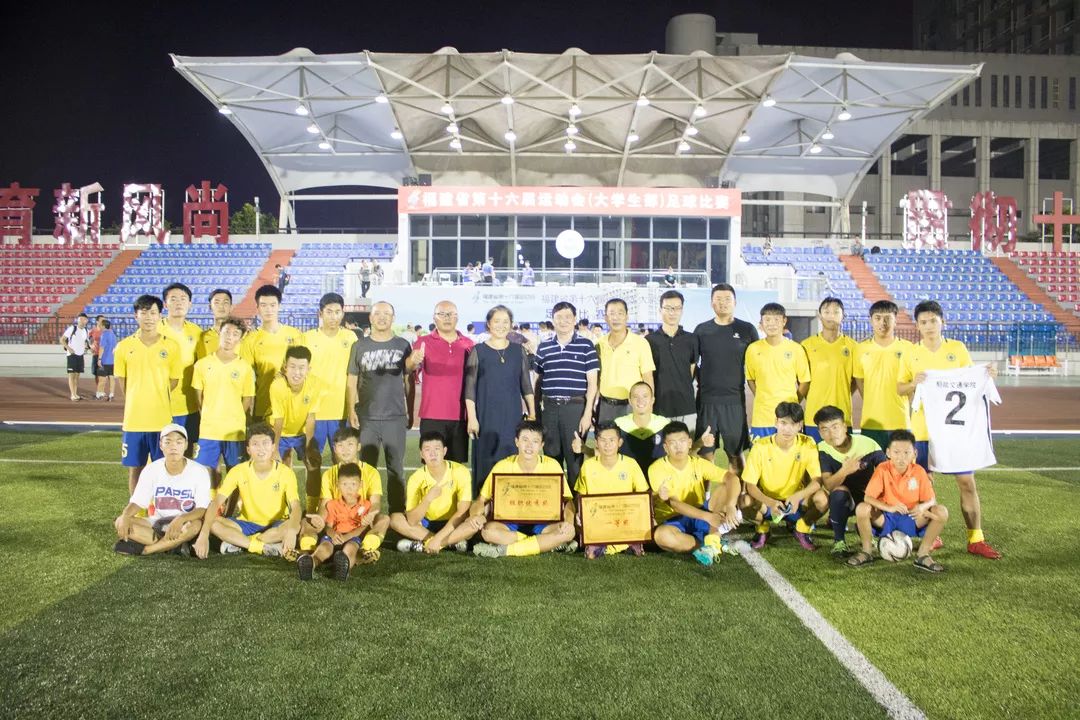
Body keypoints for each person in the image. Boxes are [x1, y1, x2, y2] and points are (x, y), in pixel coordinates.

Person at [897, 300, 1000, 560]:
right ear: (917, 326)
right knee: (922, 486)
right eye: (923, 322)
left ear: (942, 321)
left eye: (933, 320)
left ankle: (976, 538)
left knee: (966, 483)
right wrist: (913, 383)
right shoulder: (911, 353)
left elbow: (971, 379)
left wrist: (987, 374)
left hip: (955, 432)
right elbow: (899, 388)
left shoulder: (957, 348)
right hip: (922, 431)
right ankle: (930, 535)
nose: (929, 326)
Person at [347, 300, 420, 513]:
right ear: (371, 318)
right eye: (377, 314)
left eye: (386, 314)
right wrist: (351, 409)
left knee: (396, 469)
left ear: (393, 318)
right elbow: (352, 380)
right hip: (367, 417)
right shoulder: (359, 346)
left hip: (394, 417)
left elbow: (408, 380)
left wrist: (409, 410)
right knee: (366, 469)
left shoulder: (402, 345)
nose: (381, 318)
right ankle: (364, 513)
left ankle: (397, 513)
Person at [193, 423, 303, 559]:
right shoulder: (238, 471)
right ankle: (262, 546)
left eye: (265, 443)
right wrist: (204, 535)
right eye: (255, 444)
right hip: (247, 524)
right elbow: (216, 503)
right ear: (248, 449)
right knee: (214, 523)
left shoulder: (286, 473)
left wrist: (291, 531)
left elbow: (295, 506)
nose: (261, 448)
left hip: (276, 524)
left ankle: (240, 542)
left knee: (295, 526)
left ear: (273, 447)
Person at [468, 421, 577, 558]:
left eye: (535, 441)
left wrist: (569, 522)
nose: (529, 445)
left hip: (544, 523)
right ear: (516, 442)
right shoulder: (503, 466)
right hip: (510, 524)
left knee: (569, 533)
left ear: (542, 445)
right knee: (487, 532)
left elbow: (568, 501)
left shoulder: (552, 466)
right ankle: (546, 543)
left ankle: (506, 550)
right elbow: (481, 500)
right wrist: (475, 515)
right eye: (525, 440)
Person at [847, 430, 949, 573]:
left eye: (906, 453)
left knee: (941, 512)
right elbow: (868, 498)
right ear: (888, 453)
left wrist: (921, 507)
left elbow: (931, 500)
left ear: (915, 453)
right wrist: (889, 508)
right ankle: (866, 552)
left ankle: (923, 555)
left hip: (912, 518)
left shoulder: (919, 471)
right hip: (886, 518)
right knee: (862, 508)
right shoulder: (882, 469)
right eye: (896, 452)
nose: (901, 457)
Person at [114, 295, 182, 494]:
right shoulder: (124, 346)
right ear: (136, 316)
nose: (149, 317)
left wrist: (156, 393)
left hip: (161, 420)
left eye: (153, 313)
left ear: (160, 316)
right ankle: (137, 507)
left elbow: (174, 380)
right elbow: (122, 382)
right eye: (144, 313)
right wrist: (138, 396)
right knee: (136, 469)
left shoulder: (171, 346)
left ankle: (160, 508)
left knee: (163, 469)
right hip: (134, 421)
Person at [464, 305, 536, 493]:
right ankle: (483, 507)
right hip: (486, 418)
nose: (501, 325)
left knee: (512, 462)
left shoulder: (518, 351)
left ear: (511, 325)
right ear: (488, 324)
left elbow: (526, 385)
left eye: (505, 322)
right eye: (496, 321)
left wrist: (532, 413)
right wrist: (472, 418)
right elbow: (469, 389)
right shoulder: (478, 351)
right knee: (486, 463)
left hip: (512, 418)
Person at [648, 421, 740, 567]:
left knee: (725, 487)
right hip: (673, 520)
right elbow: (675, 504)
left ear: (690, 443)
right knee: (661, 536)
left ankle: (712, 541)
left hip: (699, 512)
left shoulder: (698, 463)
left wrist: (730, 506)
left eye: (682, 441)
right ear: (665, 447)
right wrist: (708, 517)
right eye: (672, 443)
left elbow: (732, 478)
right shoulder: (656, 469)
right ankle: (710, 544)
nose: (678, 446)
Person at [113, 423, 211, 556]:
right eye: (168, 442)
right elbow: (137, 502)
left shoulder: (199, 471)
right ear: (161, 445)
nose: (173, 447)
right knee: (120, 521)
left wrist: (181, 519)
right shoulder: (151, 469)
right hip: (157, 523)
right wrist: (125, 515)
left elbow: (202, 509)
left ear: (186, 445)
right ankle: (175, 545)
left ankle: (146, 550)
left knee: (196, 525)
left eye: (179, 442)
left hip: (185, 523)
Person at [740, 402, 826, 550]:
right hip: (767, 504)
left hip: (796, 503)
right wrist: (771, 502)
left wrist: (798, 496)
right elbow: (750, 485)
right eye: (783, 423)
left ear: (800, 425)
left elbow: (817, 481)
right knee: (744, 501)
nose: (787, 429)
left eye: (793, 424)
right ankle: (763, 528)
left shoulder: (808, 444)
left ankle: (801, 528)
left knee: (822, 498)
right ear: (776, 422)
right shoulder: (760, 446)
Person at [693, 283, 758, 473]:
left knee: (735, 455)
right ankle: (705, 493)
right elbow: (693, 364)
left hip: (734, 401)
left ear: (735, 302)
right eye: (718, 299)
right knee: (706, 455)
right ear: (711, 303)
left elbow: (757, 363)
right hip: (706, 401)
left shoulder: (747, 329)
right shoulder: (701, 330)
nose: (723, 303)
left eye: (727, 299)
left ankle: (738, 491)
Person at [302, 425, 388, 564]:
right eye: (340, 445)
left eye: (350, 444)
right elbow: (325, 504)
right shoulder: (329, 474)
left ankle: (364, 551)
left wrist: (371, 514)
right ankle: (307, 555)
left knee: (384, 519)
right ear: (335, 449)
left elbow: (375, 502)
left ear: (358, 446)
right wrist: (320, 519)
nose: (345, 450)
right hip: (334, 523)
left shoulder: (371, 472)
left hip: (361, 522)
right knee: (306, 522)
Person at [534, 301, 598, 488]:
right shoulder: (544, 347)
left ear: (575, 319)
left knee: (575, 458)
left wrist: (587, 414)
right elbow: (537, 382)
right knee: (551, 458)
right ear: (553, 320)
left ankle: (576, 503)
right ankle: (555, 502)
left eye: (568, 317)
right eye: (559, 317)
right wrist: (535, 412)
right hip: (550, 409)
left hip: (575, 409)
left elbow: (592, 384)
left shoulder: (586, 345)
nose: (563, 321)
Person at [813, 405, 886, 557]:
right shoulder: (821, 450)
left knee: (886, 529)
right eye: (825, 429)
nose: (831, 434)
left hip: (869, 499)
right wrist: (845, 470)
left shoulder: (869, 445)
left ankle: (866, 527)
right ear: (819, 433)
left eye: (835, 427)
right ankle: (839, 541)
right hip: (843, 501)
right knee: (839, 492)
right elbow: (828, 485)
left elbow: (888, 476)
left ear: (845, 427)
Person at [391, 431, 478, 554]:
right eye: (427, 449)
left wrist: (437, 539)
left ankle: (428, 545)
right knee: (395, 519)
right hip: (427, 524)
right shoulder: (416, 478)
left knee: (474, 524)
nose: (433, 454)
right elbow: (412, 520)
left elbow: (462, 513)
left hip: (453, 523)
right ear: (421, 454)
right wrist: (427, 499)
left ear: (444, 451)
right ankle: (450, 543)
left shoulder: (460, 471)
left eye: (437, 448)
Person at [191, 316, 254, 485]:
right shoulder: (202, 364)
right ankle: (212, 500)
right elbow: (198, 398)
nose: (229, 337)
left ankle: (231, 503)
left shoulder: (245, 367)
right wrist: (209, 414)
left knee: (236, 473)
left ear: (240, 338)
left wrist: (235, 416)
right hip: (209, 430)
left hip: (234, 431)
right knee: (204, 472)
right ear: (220, 332)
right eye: (227, 332)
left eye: (235, 334)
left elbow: (247, 399)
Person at [296, 463, 385, 581]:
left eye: (353, 484)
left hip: (353, 538)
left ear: (360, 485)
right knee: (324, 548)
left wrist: (347, 536)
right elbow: (328, 526)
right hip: (334, 537)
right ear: (338, 485)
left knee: (350, 549)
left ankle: (343, 569)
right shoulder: (332, 504)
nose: (349, 489)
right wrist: (332, 534)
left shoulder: (366, 505)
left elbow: (363, 527)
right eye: (344, 484)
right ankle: (311, 562)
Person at [574, 422, 650, 559]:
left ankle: (629, 542)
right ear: (596, 443)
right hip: (599, 520)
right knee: (591, 555)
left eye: (612, 440)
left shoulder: (631, 464)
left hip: (625, 519)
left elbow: (643, 496)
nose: (607, 444)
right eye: (603, 440)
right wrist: (579, 513)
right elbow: (581, 494)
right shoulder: (588, 466)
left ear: (619, 442)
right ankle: (604, 543)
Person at [412, 301, 474, 464]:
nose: (447, 318)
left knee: (456, 467)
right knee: (432, 467)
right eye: (442, 314)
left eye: (451, 314)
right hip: (431, 415)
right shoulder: (423, 342)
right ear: (434, 318)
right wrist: (413, 361)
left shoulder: (468, 344)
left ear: (457, 317)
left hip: (460, 416)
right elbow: (410, 367)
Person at [301, 292, 357, 467]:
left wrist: (354, 407)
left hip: (341, 411)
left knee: (342, 462)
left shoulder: (351, 338)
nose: (333, 316)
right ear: (320, 313)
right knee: (312, 461)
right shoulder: (307, 338)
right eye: (329, 312)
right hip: (313, 411)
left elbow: (355, 375)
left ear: (343, 313)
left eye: (337, 312)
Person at [853, 300, 913, 450]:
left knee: (902, 464)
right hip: (871, 422)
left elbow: (912, 384)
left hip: (900, 421)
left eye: (887, 318)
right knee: (873, 465)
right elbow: (859, 381)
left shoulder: (908, 348)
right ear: (871, 321)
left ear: (895, 320)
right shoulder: (860, 349)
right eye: (878, 318)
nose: (883, 323)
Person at [744, 303, 811, 440]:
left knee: (789, 454)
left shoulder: (796, 349)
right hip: (762, 418)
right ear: (761, 323)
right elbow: (750, 379)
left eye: (776, 319)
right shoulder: (753, 349)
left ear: (784, 321)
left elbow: (805, 381)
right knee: (761, 454)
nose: (771, 324)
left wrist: (793, 402)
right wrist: (762, 397)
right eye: (767, 319)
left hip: (789, 418)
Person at [269, 346, 324, 508]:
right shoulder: (277, 386)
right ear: (285, 367)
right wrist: (275, 448)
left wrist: (309, 447)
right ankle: (284, 508)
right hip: (280, 432)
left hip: (302, 432)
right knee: (280, 468)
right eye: (292, 367)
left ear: (308, 369)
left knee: (313, 464)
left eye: (301, 367)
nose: (297, 372)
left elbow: (311, 417)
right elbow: (278, 419)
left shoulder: (314, 383)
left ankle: (312, 508)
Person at [240, 285, 303, 421]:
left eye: (273, 305)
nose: (269, 309)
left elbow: (305, 371)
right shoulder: (250, 340)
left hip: (292, 406)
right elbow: (246, 378)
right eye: (264, 305)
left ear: (279, 306)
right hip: (263, 407)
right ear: (257, 308)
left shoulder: (295, 335)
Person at [801, 297, 858, 443]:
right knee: (814, 457)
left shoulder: (853, 347)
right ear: (819, 316)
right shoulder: (806, 345)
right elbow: (801, 381)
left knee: (843, 456)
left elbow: (855, 381)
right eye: (827, 312)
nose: (831, 316)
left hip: (842, 417)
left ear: (843, 316)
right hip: (813, 417)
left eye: (836, 312)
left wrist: (842, 392)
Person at [594, 298, 655, 426]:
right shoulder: (599, 344)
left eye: (620, 313)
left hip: (632, 406)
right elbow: (598, 377)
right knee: (605, 439)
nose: (616, 318)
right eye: (612, 313)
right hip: (605, 406)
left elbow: (648, 377)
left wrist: (649, 407)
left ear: (627, 317)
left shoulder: (641, 343)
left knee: (632, 439)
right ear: (606, 318)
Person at [160, 282, 205, 450]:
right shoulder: (155, 329)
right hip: (162, 405)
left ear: (190, 304)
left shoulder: (196, 332)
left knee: (188, 451)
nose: (179, 302)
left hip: (189, 405)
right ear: (165, 304)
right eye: (173, 299)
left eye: (183, 299)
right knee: (160, 454)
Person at [646, 290, 698, 432]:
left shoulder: (692, 339)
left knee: (686, 445)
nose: (672, 312)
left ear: (682, 310)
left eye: (677, 308)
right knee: (658, 446)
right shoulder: (649, 341)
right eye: (668, 308)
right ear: (660, 310)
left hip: (686, 408)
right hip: (658, 408)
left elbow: (691, 371)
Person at [60, 312, 90, 401]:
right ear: (78, 320)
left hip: (80, 355)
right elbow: (62, 340)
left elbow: (86, 342)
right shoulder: (72, 328)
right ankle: (72, 394)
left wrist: (86, 348)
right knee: (71, 375)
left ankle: (75, 394)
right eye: (81, 319)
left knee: (77, 376)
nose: (82, 321)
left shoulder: (86, 331)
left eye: (84, 319)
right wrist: (69, 349)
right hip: (72, 355)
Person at [199, 288, 234, 356]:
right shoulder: (201, 338)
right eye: (217, 303)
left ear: (231, 307)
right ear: (210, 307)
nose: (221, 306)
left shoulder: (242, 336)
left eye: (225, 302)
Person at [95, 319, 118, 401]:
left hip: (105, 360)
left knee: (102, 378)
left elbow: (102, 347)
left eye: (100, 325)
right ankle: (111, 394)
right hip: (112, 360)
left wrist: (99, 359)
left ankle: (99, 394)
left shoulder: (104, 335)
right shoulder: (113, 334)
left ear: (103, 326)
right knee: (112, 378)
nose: (99, 326)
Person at [89, 314, 105, 388]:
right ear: (97, 321)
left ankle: (102, 390)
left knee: (103, 374)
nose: (103, 322)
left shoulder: (106, 330)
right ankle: (98, 390)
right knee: (96, 373)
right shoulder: (93, 330)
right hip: (95, 354)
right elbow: (87, 339)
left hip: (104, 355)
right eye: (102, 320)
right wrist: (90, 347)